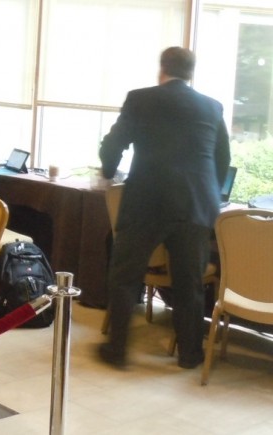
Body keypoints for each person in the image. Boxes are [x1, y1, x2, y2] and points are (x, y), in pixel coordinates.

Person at [97, 47, 230, 370]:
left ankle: (117, 350)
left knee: (126, 276)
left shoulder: (140, 99)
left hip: (147, 200)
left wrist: (107, 171)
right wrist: (211, 191)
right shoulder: (212, 107)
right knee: (189, 282)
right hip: (196, 205)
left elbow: (114, 143)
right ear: (191, 73)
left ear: (162, 70)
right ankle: (190, 355)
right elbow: (223, 159)